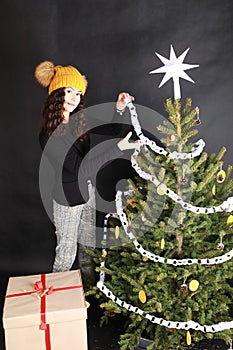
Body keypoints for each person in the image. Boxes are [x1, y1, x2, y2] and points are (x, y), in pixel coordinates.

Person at [35, 60, 141, 288]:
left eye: (77, 92)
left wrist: (119, 108)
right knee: (66, 254)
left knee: (89, 247)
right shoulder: (49, 136)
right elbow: (78, 169)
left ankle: (89, 292)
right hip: (67, 200)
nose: (74, 97)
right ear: (55, 93)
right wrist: (118, 149)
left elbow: (113, 129)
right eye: (68, 91)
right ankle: (56, 302)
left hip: (87, 193)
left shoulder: (78, 121)